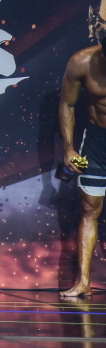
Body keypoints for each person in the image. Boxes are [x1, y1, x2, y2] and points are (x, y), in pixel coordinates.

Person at [57, 35, 106, 297]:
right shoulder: (82, 62)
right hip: (97, 142)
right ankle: (83, 281)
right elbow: (67, 104)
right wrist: (69, 148)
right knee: (89, 209)